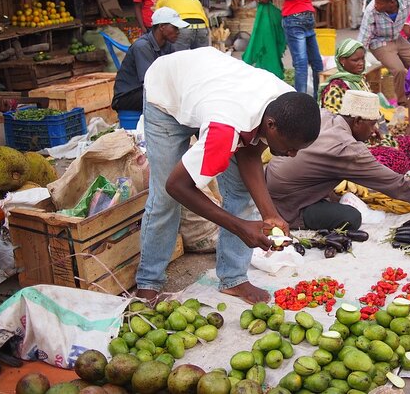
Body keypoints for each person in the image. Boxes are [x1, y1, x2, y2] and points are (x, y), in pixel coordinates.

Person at [136, 47, 321, 304]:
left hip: (209, 89)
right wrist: (240, 227)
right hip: (167, 95)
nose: (291, 155)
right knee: (165, 201)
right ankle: (149, 282)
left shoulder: (283, 104)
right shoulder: (226, 128)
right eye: (290, 147)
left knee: (241, 194)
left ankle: (234, 279)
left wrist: (270, 214)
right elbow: (177, 186)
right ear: (271, 126)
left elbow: (250, 154)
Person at [266, 90, 410, 231]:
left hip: (270, 184)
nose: (375, 130)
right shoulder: (348, 148)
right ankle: (298, 219)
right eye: (372, 124)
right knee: (351, 217)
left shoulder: (324, 116)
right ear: (356, 121)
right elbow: (397, 185)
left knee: (335, 194)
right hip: (286, 205)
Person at [259, 0, 329, 99]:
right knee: (316, 63)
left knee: (300, 64)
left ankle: (301, 103)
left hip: (294, 15)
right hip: (308, 14)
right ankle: (321, 98)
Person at [358, 0, 410, 105]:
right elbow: (363, 38)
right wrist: (359, 60)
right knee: (399, 70)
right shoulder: (371, 11)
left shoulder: (407, 0)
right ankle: (403, 102)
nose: (376, 5)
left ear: (392, 2)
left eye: (379, 2)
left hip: (397, 38)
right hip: (379, 42)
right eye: (375, 1)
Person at [111, 7, 185, 112]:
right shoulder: (142, 46)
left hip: (146, 91)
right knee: (169, 98)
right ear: (162, 27)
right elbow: (150, 82)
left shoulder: (168, 45)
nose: (178, 32)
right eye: (175, 27)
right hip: (128, 96)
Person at [319, 39, 372, 113]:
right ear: (342, 60)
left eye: (362, 59)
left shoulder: (360, 79)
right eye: (355, 60)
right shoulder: (336, 87)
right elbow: (333, 118)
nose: (361, 63)